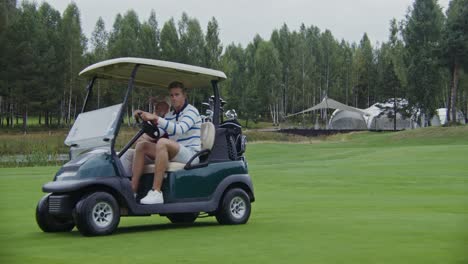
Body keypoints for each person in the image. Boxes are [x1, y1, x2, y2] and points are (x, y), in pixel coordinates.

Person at [132, 81, 202, 204]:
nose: (174, 98)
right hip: (176, 152)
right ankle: (133, 190)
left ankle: (156, 192)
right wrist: (146, 119)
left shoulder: (192, 112)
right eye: (171, 95)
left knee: (163, 142)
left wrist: (157, 118)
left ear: (184, 95)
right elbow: (157, 133)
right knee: (142, 146)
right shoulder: (170, 115)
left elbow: (180, 129)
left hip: (191, 154)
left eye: (177, 95)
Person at [120, 98, 170, 177]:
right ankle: (125, 179)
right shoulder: (154, 122)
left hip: (159, 154)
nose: (157, 110)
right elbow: (140, 140)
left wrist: (144, 138)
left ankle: (125, 181)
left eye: (160, 109)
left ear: (166, 111)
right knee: (122, 154)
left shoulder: (166, 123)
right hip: (150, 151)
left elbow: (152, 137)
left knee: (128, 155)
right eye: (157, 108)